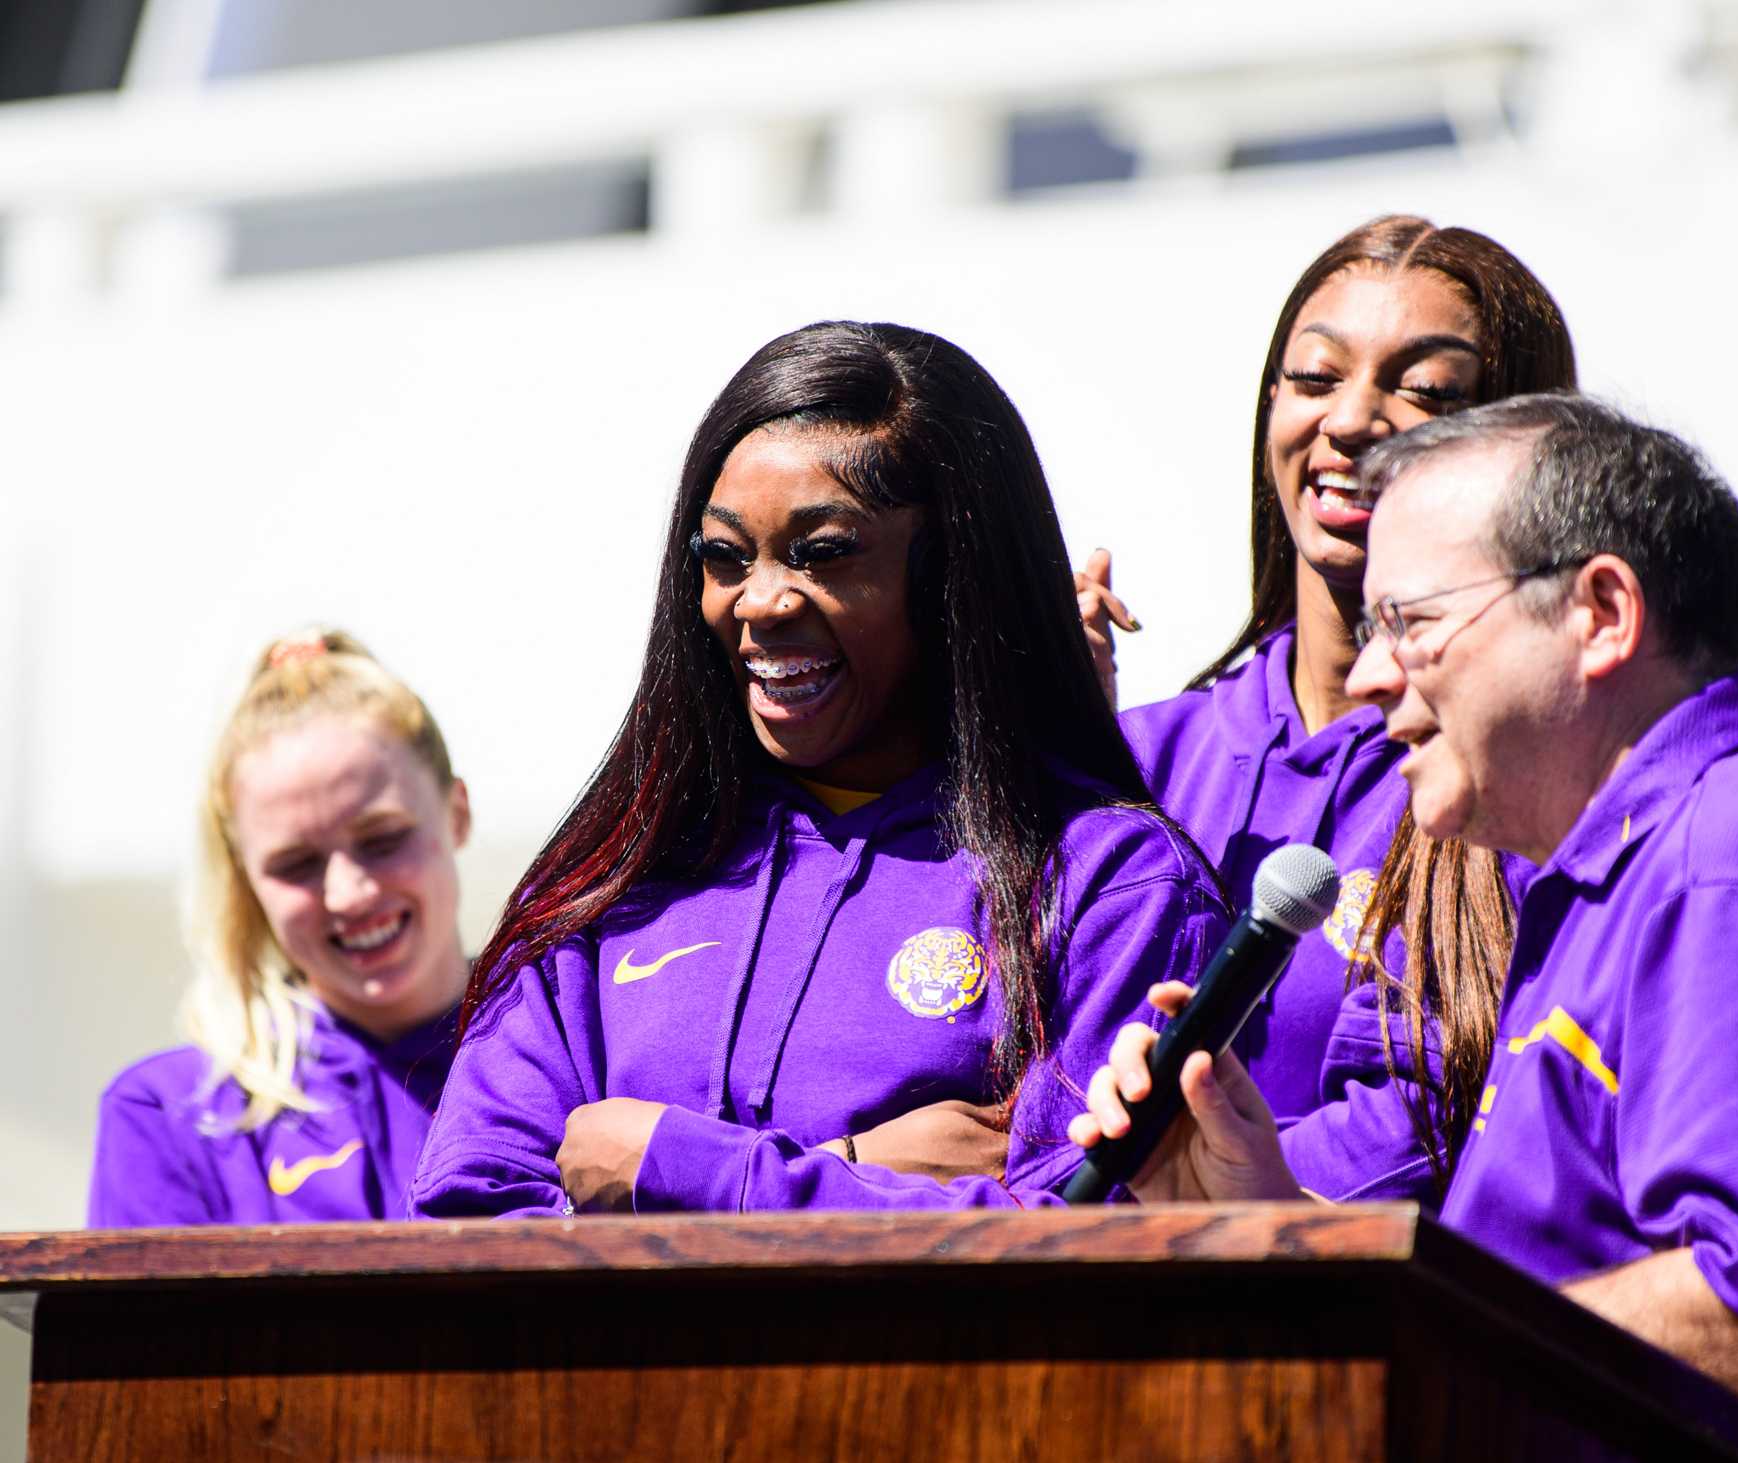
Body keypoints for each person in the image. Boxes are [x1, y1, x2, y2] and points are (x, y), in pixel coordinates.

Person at [1073, 395, 1738, 1458]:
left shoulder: (1732, 865)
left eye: (1407, 624)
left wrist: (1403, 1315)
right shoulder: (1626, 867)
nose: (1368, 676)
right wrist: (1270, 1218)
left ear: (1600, 611)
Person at [411, 321, 1226, 1218]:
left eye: (823, 552)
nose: (760, 601)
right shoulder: (613, 881)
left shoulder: (1115, 885)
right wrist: (859, 1169)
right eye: (724, 558)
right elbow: (473, 1221)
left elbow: (1078, 1238)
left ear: (958, 573)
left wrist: (681, 1169)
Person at [1104, 216, 1576, 1201]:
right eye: (1315, 378)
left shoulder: (1529, 780)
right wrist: (1031, 746)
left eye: (1426, 391)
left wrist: (1224, 1201)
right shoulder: (1138, 754)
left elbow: (1483, 1114)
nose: (1353, 418)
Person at [88, 631, 471, 1225]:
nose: (349, 893)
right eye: (297, 865)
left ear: (458, 815)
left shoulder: (574, 1056)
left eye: (383, 840)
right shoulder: (170, 1114)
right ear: (246, 880)